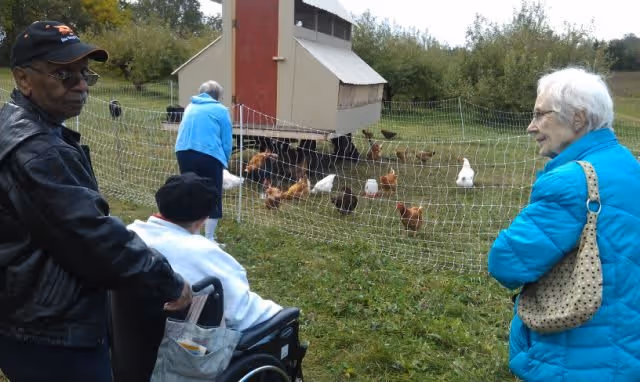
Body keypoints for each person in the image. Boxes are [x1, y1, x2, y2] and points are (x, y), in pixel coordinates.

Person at [0, 21, 192, 382]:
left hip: (26, 315)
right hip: (51, 333)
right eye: (63, 74)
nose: (82, 85)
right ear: (23, 79)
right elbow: (94, 239)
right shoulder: (37, 151)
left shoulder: (16, 124)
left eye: (84, 73)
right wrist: (168, 281)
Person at [488, 67, 640, 381]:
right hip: (626, 345)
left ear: (578, 119)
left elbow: (506, 263)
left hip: (576, 357)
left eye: (540, 114)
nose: (531, 127)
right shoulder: (628, 165)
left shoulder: (570, 182)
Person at [128, 172, 283, 331]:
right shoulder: (202, 251)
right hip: (187, 342)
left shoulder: (128, 235)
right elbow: (239, 311)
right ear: (203, 219)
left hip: (135, 332)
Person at [175, 80, 233, 243]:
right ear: (218, 97)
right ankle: (209, 238)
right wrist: (224, 161)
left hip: (183, 151)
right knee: (212, 193)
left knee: (190, 191)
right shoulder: (221, 110)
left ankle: (192, 235)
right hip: (208, 154)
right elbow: (226, 140)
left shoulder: (189, 107)